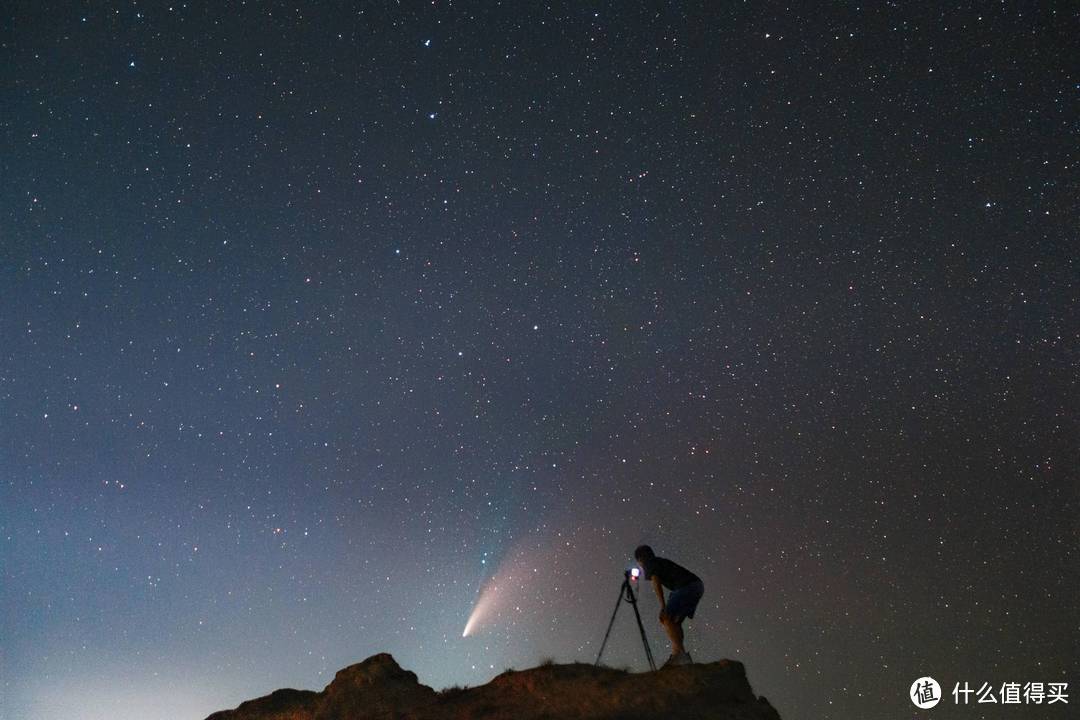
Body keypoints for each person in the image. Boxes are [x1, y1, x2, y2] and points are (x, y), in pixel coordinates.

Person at [634, 545, 704, 667]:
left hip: (687, 586)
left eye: (639, 563)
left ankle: (680, 656)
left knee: (665, 617)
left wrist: (663, 606)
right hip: (697, 586)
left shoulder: (650, 563)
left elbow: (656, 581)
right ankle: (678, 654)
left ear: (641, 559)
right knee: (675, 621)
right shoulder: (660, 561)